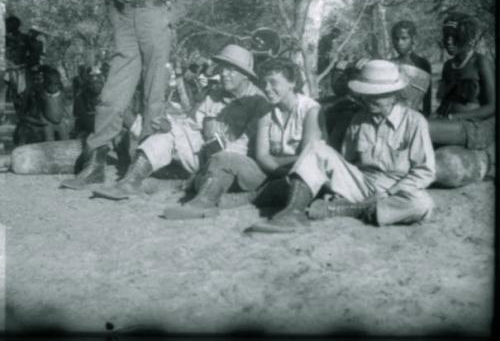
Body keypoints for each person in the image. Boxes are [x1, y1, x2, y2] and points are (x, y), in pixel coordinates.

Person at [60, 0, 188, 190]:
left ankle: (142, 164)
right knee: (111, 95)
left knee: (153, 96)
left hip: (157, 20)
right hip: (126, 25)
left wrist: (169, 20)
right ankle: (96, 163)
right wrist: (119, 25)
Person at [246, 60, 435, 233]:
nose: (370, 100)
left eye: (377, 95)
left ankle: (347, 210)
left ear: (393, 95)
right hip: (362, 183)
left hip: (396, 189)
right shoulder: (358, 119)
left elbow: (425, 171)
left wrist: (388, 192)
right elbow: (348, 161)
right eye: (367, 95)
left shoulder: (414, 122)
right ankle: (293, 214)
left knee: (422, 203)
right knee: (317, 149)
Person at [91, 44, 269, 201]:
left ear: (246, 75)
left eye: (231, 70)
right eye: (222, 68)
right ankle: (131, 181)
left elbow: (247, 145)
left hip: (232, 163)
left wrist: (218, 150)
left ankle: (192, 184)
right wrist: (170, 126)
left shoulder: (259, 102)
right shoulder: (214, 95)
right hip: (205, 154)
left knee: (224, 159)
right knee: (168, 134)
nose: (224, 74)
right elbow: (191, 125)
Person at [162, 58, 323, 219]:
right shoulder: (265, 111)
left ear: (292, 83)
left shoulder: (310, 111)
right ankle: (202, 203)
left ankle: (255, 196)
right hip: (271, 173)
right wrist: (277, 170)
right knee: (223, 158)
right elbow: (261, 156)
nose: (267, 89)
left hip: (300, 180)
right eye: (264, 83)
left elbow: (307, 160)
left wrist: (276, 166)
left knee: (294, 183)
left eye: (274, 83)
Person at [429, 13, 495, 184]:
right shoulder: (447, 66)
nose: (449, 41)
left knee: (422, 129)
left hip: (475, 127)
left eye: (455, 37)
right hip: (451, 124)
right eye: (446, 37)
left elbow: (493, 106)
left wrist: (456, 117)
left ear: (466, 37)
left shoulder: (481, 62)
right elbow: (445, 103)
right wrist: (438, 116)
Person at [390, 20, 432, 117]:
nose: (399, 43)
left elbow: (427, 97)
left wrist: (426, 116)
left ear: (413, 39)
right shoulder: (391, 64)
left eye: (404, 38)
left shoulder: (422, 63)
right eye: (396, 39)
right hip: (393, 115)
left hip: (414, 114)